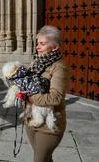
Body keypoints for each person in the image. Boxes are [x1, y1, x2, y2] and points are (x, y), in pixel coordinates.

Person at [24, 25, 70, 162]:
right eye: (37, 43)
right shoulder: (36, 63)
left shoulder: (59, 67)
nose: (37, 47)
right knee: (45, 159)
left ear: (55, 47)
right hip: (31, 119)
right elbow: (28, 84)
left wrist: (30, 96)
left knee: (39, 160)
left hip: (50, 125)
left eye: (42, 44)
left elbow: (55, 98)